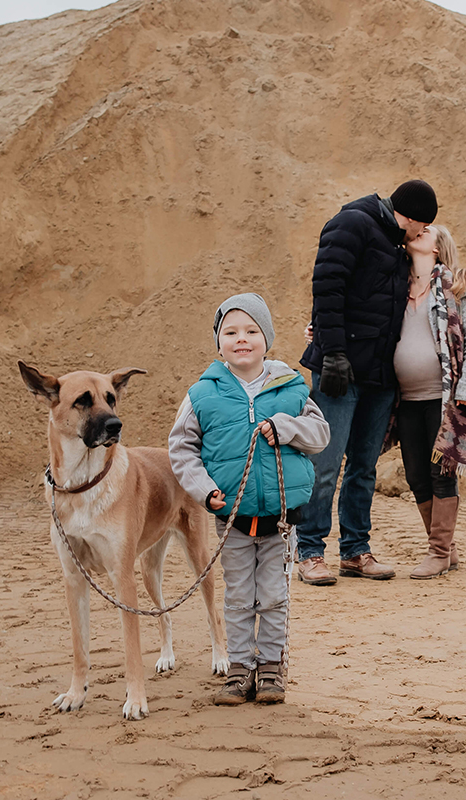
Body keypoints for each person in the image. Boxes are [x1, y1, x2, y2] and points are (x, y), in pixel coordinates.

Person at [168, 293, 330, 705]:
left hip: (281, 519)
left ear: (267, 339)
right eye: (231, 332)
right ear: (219, 342)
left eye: (252, 331)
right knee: (239, 595)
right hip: (233, 517)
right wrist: (205, 491)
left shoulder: (291, 388)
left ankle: (272, 667)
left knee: (274, 594)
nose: (242, 339)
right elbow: (181, 449)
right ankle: (240, 669)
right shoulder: (202, 394)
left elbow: (321, 436)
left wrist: (287, 427)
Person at [298, 180, 439, 585]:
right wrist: (333, 353)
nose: (422, 233)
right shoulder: (353, 224)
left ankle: (355, 551)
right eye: (423, 224)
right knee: (324, 463)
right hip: (340, 371)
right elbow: (327, 287)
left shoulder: (397, 245)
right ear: (411, 216)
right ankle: (309, 551)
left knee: (363, 467)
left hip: (380, 376)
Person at [388, 224, 466, 579]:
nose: (420, 230)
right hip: (406, 399)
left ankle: (437, 552)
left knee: (441, 474)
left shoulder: (458, 285)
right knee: (417, 476)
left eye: (429, 230)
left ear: (438, 248)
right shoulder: (395, 288)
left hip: (446, 400)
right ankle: (447, 550)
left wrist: (465, 392)